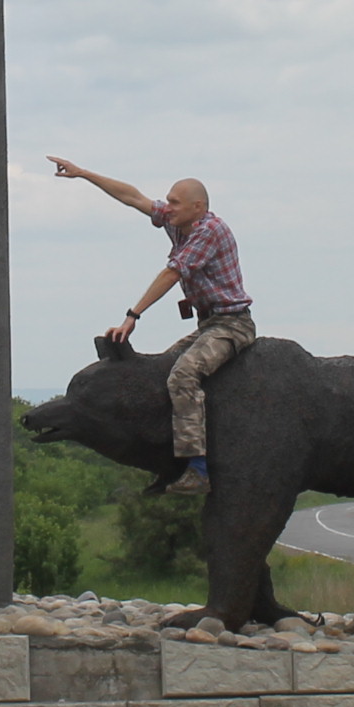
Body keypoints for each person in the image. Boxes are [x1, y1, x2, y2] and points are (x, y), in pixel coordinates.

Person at [49, 156, 253, 496]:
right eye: (168, 201)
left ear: (197, 207)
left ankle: (198, 471)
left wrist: (133, 315)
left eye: (174, 202)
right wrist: (84, 174)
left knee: (183, 375)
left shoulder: (209, 231)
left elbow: (173, 273)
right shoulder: (178, 221)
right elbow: (133, 197)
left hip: (231, 326)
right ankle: (171, 463)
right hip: (207, 324)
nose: (167, 207)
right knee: (158, 372)